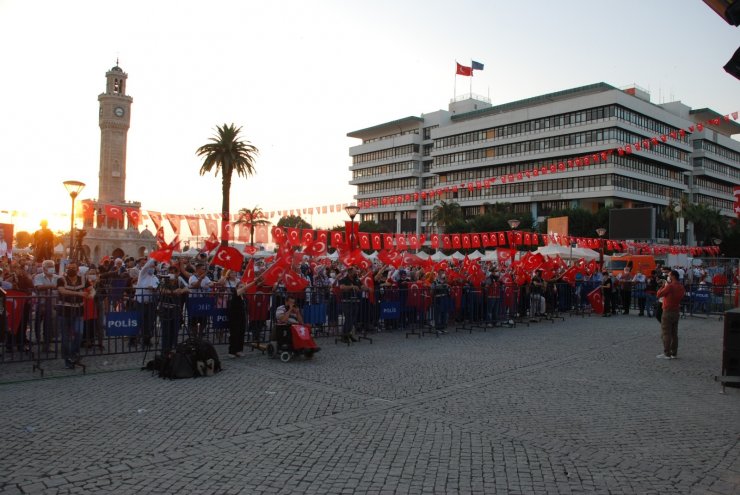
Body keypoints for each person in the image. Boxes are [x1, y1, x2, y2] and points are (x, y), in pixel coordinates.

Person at [56, 262, 94, 369]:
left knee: (79, 332)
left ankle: (74, 353)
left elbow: (92, 289)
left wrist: (92, 295)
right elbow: (62, 291)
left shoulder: (83, 279)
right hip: (64, 310)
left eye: (73, 268)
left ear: (77, 269)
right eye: (69, 268)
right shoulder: (61, 279)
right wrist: (79, 293)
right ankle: (66, 358)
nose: (71, 269)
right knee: (65, 336)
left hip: (78, 310)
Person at [656, 269, 686, 360]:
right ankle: (674, 353)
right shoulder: (681, 287)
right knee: (674, 333)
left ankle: (667, 353)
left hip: (667, 310)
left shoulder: (670, 286)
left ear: (672, 276)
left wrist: (663, 286)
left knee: (666, 333)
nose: (668, 276)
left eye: (669, 275)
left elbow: (659, 294)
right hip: (676, 310)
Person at [33, 259, 59, 352]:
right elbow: (39, 287)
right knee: (38, 322)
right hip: (41, 303)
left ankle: (47, 343)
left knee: (50, 324)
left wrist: (49, 287)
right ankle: (38, 338)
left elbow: (61, 288)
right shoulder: (38, 276)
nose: (51, 268)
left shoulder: (57, 277)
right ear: (44, 268)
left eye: (52, 266)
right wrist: (53, 286)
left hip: (52, 304)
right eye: (49, 266)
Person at [338, 267, 362, 342]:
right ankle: (344, 336)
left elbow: (361, 286)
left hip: (355, 302)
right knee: (348, 319)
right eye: (355, 272)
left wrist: (366, 288)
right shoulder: (344, 279)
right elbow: (342, 287)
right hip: (347, 302)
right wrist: (352, 287)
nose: (356, 273)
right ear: (350, 272)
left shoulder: (356, 279)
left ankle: (349, 334)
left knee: (353, 319)